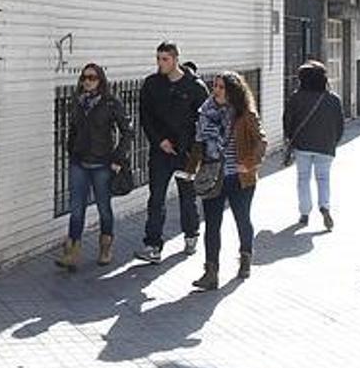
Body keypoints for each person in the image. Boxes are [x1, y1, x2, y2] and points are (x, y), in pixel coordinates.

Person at [192, 72, 267, 290]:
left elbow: (261, 142)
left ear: (232, 91)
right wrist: (190, 169)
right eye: (214, 86)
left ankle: (245, 258)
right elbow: (199, 143)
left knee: (242, 219)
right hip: (214, 177)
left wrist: (250, 163)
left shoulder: (245, 115)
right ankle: (211, 272)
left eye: (221, 87)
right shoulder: (206, 112)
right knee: (212, 225)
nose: (216, 90)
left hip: (240, 178)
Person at [136, 41, 209, 263]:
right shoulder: (152, 84)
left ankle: (191, 235)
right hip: (161, 151)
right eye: (158, 59)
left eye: (165, 59)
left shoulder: (195, 86)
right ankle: (153, 245)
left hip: (186, 153)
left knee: (187, 196)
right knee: (156, 197)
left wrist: (196, 153)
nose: (160, 63)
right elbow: (145, 116)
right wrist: (159, 141)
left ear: (176, 59)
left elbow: (205, 121)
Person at [57, 63, 133, 270]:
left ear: (101, 80)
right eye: (84, 78)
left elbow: (127, 131)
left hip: (102, 163)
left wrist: (118, 158)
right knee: (76, 209)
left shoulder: (110, 102)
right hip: (79, 162)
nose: (87, 81)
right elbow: (72, 128)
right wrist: (70, 149)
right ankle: (72, 251)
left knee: (104, 208)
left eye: (92, 78)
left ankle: (105, 247)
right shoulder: (77, 102)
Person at [283, 60, 345, 229]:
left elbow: (287, 121)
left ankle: (304, 213)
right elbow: (340, 125)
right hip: (326, 145)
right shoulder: (333, 99)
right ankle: (324, 206)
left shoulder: (296, 98)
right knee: (323, 178)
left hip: (302, 145)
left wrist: (290, 139)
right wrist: (333, 141)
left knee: (303, 178)